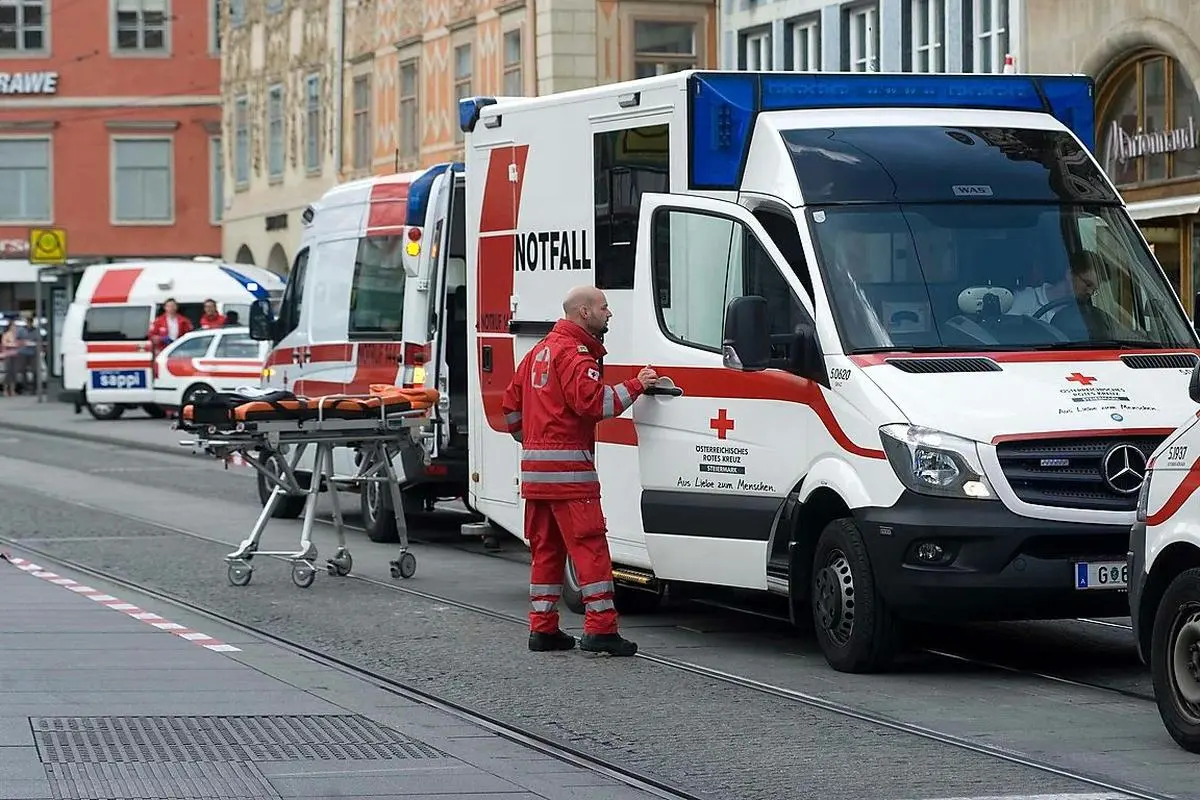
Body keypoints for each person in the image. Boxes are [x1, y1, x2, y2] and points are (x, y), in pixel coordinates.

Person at [501, 285, 658, 656]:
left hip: (536, 478)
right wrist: (638, 384)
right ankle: (600, 629)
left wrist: (535, 443)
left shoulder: (538, 351)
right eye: (604, 307)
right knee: (589, 549)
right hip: (571, 476)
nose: (609, 314)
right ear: (584, 312)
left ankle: (542, 629)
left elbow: (509, 406)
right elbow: (595, 402)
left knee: (546, 551)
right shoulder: (575, 354)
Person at [1008, 251, 1100, 321]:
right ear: (1070, 274)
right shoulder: (1025, 299)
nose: (1089, 292)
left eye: (1094, 290)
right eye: (1088, 284)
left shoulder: (1080, 317)